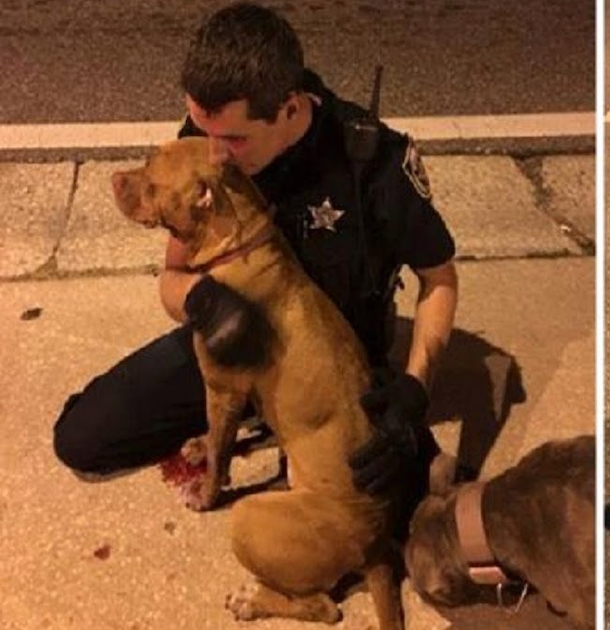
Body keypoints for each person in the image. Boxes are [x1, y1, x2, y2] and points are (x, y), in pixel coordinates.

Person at [52, 2, 456, 499]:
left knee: (413, 491)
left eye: (233, 140)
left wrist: (415, 390)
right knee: (81, 439)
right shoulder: (205, 143)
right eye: (204, 132)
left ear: (288, 109)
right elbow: (172, 278)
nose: (215, 154)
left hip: (329, 365)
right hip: (233, 341)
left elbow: (439, 280)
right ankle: (250, 413)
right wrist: (201, 302)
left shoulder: (371, 163)